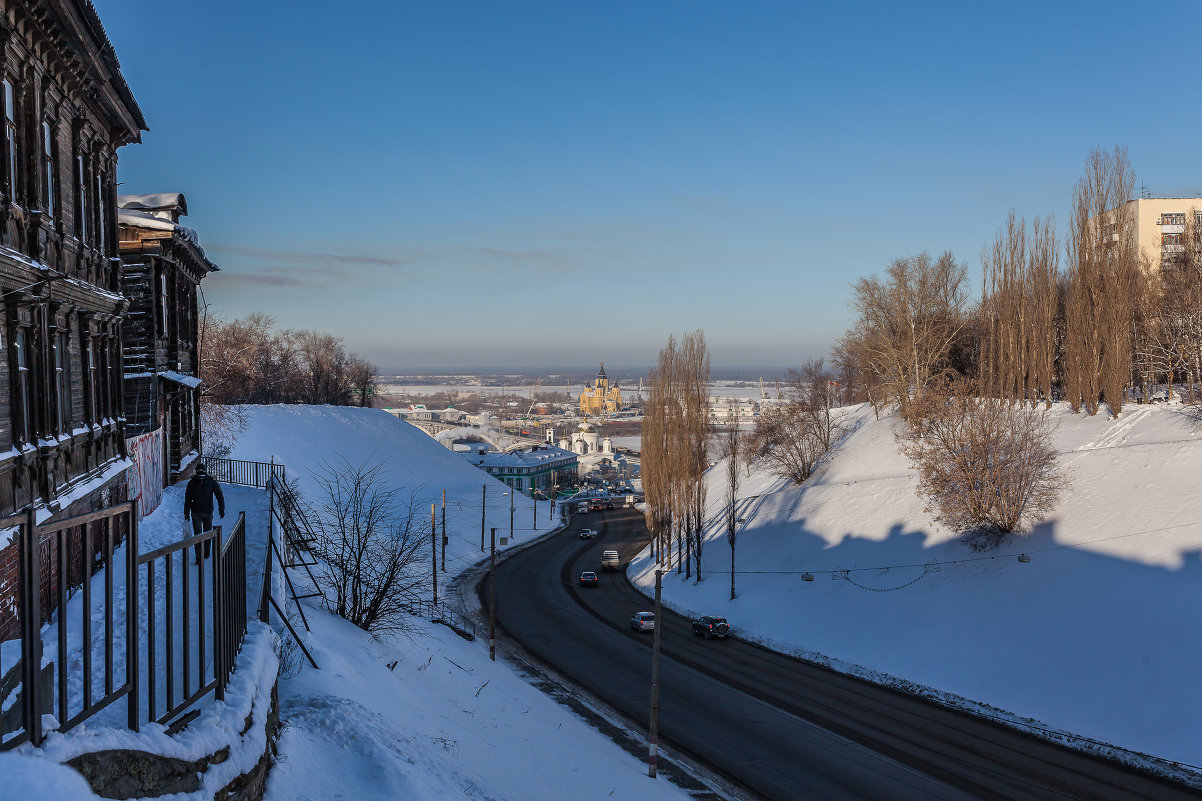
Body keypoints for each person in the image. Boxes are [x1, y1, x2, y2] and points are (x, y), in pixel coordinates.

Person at [184, 464, 225, 562]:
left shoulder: (209, 482)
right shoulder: (194, 483)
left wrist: (221, 508)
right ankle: (200, 555)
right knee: (201, 534)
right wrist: (186, 513)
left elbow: (219, 495)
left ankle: (205, 553)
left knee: (204, 534)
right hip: (199, 512)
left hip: (203, 512)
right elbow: (188, 499)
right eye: (199, 469)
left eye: (202, 469)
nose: (201, 471)